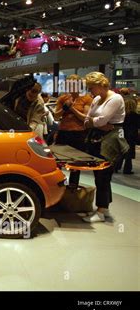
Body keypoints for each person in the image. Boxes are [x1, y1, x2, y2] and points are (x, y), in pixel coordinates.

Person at [83, 72, 129, 223]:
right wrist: (97, 123)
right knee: (100, 174)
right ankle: (104, 208)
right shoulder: (97, 98)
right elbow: (88, 119)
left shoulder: (116, 98)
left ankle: (101, 210)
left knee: (104, 174)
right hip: (99, 137)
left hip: (111, 140)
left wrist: (96, 122)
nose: (90, 91)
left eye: (91, 88)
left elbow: (100, 120)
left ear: (100, 86)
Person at [53, 74, 93, 186]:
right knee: (58, 162)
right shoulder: (63, 98)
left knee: (76, 164)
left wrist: (72, 109)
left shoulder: (86, 98)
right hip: (64, 132)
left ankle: (73, 188)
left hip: (79, 133)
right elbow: (56, 116)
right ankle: (58, 186)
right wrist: (64, 108)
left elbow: (85, 117)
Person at [116, 98, 138, 174]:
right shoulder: (136, 116)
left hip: (121, 134)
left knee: (120, 151)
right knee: (129, 153)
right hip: (131, 136)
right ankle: (127, 169)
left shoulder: (121, 115)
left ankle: (116, 167)